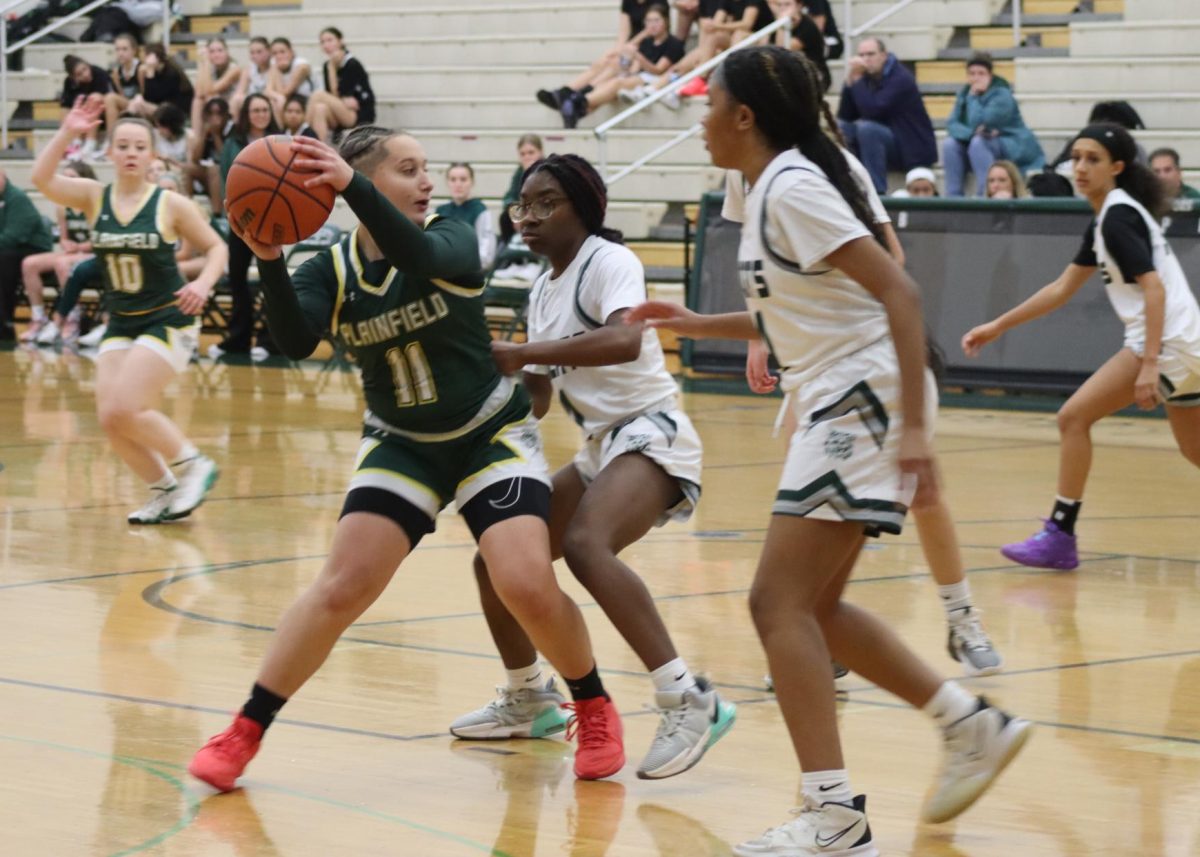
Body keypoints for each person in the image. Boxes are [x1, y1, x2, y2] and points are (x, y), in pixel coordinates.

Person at [627, 47, 1031, 854]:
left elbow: (899, 291)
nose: (699, 119)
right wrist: (695, 323)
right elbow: (807, 313)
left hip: (862, 398)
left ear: (745, 117)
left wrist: (915, 429)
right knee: (812, 609)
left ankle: (834, 812)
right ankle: (968, 721)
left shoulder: (795, 185)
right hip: (841, 394)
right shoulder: (768, 187)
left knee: (775, 604)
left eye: (710, 106)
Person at [187, 127, 624, 792]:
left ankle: (591, 704)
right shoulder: (330, 267)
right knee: (340, 586)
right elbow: (297, 339)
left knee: (525, 580)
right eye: (408, 169)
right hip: (402, 443)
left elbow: (415, 250)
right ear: (354, 178)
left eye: (427, 169)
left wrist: (351, 186)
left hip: (488, 434)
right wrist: (269, 258)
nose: (426, 181)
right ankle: (245, 728)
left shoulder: (450, 236)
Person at [451, 153, 736, 779]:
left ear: (584, 206)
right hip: (600, 446)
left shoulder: (611, 261)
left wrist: (523, 349)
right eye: (523, 205)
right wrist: (479, 386)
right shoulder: (543, 286)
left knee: (585, 545)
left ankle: (688, 697)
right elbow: (540, 392)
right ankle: (530, 696)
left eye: (545, 203)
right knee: (498, 560)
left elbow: (625, 339)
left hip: (653, 432)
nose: (528, 217)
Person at [963, 123, 1200, 570]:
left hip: (1166, 343)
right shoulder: (1110, 216)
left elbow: (1154, 290)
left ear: (1117, 167)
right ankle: (1059, 536)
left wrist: (1149, 365)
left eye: (1092, 159)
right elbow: (1060, 288)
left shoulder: (1116, 216)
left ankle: (1059, 535)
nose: (1080, 167)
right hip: (1188, 344)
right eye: (1076, 158)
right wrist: (997, 325)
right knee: (1195, 451)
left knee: (1073, 417)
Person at [32, 95, 225, 523]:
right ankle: (162, 490)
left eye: (140, 146)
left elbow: (217, 248)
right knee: (109, 418)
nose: (132, 153)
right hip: (121, 321)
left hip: (169, 318)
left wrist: (203, 282)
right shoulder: (94, 196)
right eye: (123, 146)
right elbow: (41, 178)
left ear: (152, 154)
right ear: (110, 153)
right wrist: (67, 130)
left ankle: (194, 464)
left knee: (127, 406)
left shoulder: (170, 204)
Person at [210, 93, 281, 360]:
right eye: (255, 110)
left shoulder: (279, 140)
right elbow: (229, 177)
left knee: (271, 282)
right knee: (237, 281)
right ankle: (238, 339)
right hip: (241, 221)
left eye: (265, 109)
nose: (261, 114)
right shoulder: (233, 142)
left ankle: (269, 339)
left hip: (273, 221)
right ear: (246, 114)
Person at [837, 37, 937, 194]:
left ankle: (877, 192)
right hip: (887, 143)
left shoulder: (901, 78)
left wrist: (857, 81)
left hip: (912, 148)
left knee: (868, 129)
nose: (865, 59)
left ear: (884, 56)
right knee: (844, 128)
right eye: (861, 55)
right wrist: (850, 83)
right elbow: (846, 115)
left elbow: (874, 110)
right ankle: (850, 185)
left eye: (870, 54)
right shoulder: (865, 77)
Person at [564, 4, 684, 127]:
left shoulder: (673, 44)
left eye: (656, 21)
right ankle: (580, 110)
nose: (652, 25)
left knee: (618, 84)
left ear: (666, 21)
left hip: (658, 80)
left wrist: (638, 56)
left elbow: (658, 70)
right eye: (648, 21)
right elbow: (634, 66)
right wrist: (628, 62)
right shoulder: (647, 42)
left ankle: (579, 103)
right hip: (641, 77)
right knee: (612, 77)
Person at [942, 53, 1043, 198]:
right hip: (980, 143)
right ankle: (953, 197)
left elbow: (982, 121)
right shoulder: (965, 93)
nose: (976, 78)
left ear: (990, 75)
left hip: (1010, 144)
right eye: (972, 74)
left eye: (981, 73)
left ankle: (984, 194)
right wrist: (970, 133)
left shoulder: (1002, 94)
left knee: (978, 143)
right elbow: (952, 124)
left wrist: (975, 98)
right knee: (950, 144)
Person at [21, 161, 96, 345]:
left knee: (62, 264)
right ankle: (39, 317)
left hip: (92, 253)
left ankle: (72, 317)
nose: (68, 182)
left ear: (85, 179)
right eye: (65, 178)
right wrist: (66, 243)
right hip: (73, 252)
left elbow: (99, 240)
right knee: (29, 263)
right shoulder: (62, 205)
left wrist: (79, 247)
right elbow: (63, 238)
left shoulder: (93, 202)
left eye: (72, 178)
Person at [536, 1, 654, 114]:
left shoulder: (658, 3)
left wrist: (625, 49)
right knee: (604, 61)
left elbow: (650, 31)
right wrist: (617, 50)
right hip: (629, 49)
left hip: (645, 50)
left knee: (615, 64)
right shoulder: (628, 2)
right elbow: (624, 32)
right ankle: (566, 92)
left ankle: (581, 94)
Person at [0, 168, 55, 340]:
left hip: (33, 248)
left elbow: (13, 237)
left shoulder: (17, 198)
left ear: (2, 175)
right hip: (11, 249)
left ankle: (4, 320)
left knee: (4, 260)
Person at [308, 27, 375, 142]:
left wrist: (332, 68)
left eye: (330, 40)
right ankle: (317, 149)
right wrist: (331, 67)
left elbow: (338, 95)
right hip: (341, 112)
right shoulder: (327, 65)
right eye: (322, 42)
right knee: (320, 108)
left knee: (318, 95)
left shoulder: (352, 64)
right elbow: (335, 98)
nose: (326, 45)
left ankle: (302, 133)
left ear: (340, 41)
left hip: (359, 115)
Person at [436, 163, 497, 271]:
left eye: (463, 179)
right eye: (453, 179)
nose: (458, 184)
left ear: (472, 182)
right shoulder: (441, 211)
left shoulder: (479, 210)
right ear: (447, 182)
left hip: (470, 272)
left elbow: (486, 254)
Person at [60, 55, 113, 162]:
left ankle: (90, 144)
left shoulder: (99, 73)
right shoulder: (69, 83)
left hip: (105, 110)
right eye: (79, 74)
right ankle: (72, 143)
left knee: (93, 100)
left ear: (88, 65)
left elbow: (107, 96)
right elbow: (65, 105)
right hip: (84, 115)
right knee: (67, 110)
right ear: (74, 78)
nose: (85, 74)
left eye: (85, 69)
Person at [183, 97, 231, 211]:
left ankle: (217, 214)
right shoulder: (204, 129)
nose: (215, 117)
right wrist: (204, 134)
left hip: (228, 173)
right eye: (211, 113)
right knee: (188, 168)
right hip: (209, 174)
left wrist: (216, 135)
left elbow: (225, 158)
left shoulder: (231, 129)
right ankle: (186, 208)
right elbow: (195, 159)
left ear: (225, 115)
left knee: (214, 169)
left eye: (218, 113)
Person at [772, 0, 830, 92]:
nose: (783, 8)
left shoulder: (807, 26)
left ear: (799, 6)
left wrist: (781, 24)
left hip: (814, 76)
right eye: (780, 5)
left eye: (787, 4)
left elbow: (782, 51)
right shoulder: (777, 25)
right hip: (793, 75)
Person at [190, 39, 240, 139]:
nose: (216, 54)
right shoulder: (210, 67)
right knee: (197, 101)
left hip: (230, 106)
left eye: (220, 50)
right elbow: (199, 93)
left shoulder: (234, 68)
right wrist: (202, 64)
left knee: (207, 98)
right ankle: (196, 138)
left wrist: (206, 63)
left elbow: (210, 90)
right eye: (212, 51)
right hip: (214, 105)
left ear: (227, 52)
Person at [128, 44, 194, 120]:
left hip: (177, 111)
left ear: (156, 57)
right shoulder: (157, 71)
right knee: (135, 103)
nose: (144, 60)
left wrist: (150, 73)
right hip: (164, 107)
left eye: (146, 56)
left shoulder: (171, 72)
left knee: (139, 104)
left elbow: (152, 98)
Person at [103, 34, 141, 138]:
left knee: (110, 98)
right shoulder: (116, 73)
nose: (120, 53)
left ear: (134, 50)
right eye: (117, 49)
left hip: (143, 104)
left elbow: (145, 93)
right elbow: (122, 96)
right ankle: (110, 138)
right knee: (106, 99)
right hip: (128, 106)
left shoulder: (141, 68)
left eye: (124, 49)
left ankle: (111, 139)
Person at [266, 37, 314, 115]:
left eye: (282, 52)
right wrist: (276, 70)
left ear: (291, 52)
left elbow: (286, 93)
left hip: (306, 100)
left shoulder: (302, 65)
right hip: (288, 101)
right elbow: (267, 91)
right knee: (274, 102)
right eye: (275, 53)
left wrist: (277, 71)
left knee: (280, 101)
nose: (279, 56)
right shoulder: (274, 65)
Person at [230, 36, 271, 120]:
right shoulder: (249, 69)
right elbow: (240, 91)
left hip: (268, 101)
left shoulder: (274, 67)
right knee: (236, 99)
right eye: (252, 53)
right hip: (252, 101)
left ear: (268, 51)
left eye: (259, 52)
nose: (255, 55)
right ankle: (234, 129)